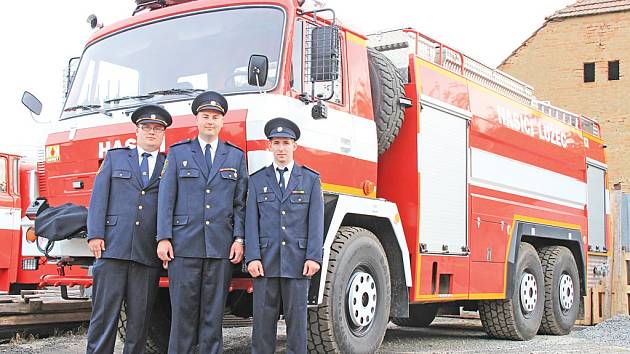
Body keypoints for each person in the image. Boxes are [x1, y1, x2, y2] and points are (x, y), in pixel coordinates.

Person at [156, 91, 247, 354]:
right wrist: (163, 237)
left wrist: (239, 238)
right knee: (182, 316)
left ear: (222, 122)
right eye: (205, 116)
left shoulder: (235, 157)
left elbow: (240, 202)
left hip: (220, 248)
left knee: (213, 316)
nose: (210, 121)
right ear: (196, 120)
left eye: (215, 117)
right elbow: (166, 198)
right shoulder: (178, 153)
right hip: (184, 247)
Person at [86, 104, 172, 354]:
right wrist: (95, 234)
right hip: (112, 247)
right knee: (104, 317)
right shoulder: (115, 158)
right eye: (147, 128)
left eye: (157, 129)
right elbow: (98, 197)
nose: (152, 133)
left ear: (163, 134)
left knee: (139, 320)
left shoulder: (169, 165)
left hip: (146, 254)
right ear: (137, 131)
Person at [245, 117, 324, 354]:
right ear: (269, 146)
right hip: (265, 263)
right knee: (262, 323)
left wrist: (313, 257)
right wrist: (252, 257)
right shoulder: (258, 180)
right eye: (276, 143)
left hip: (298, 261)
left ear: (294, 146)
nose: (281, 148)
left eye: (286, 142)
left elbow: (316, 222)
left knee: (297, 323)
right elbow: (251, 222)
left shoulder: (310, 179)